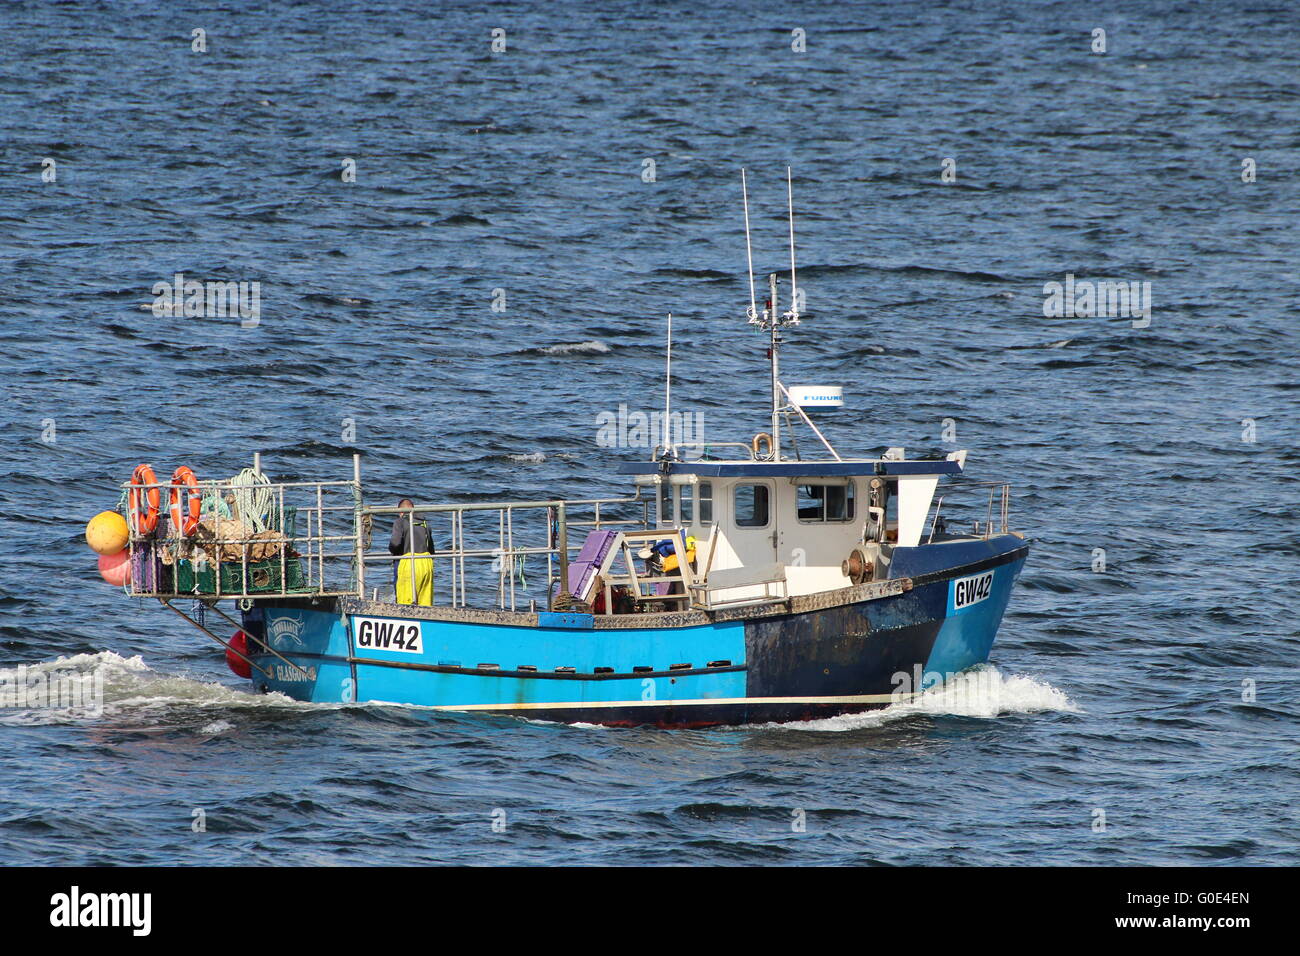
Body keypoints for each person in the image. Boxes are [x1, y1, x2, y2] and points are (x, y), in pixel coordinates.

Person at [389, 498, 435, 606]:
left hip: (408, 563)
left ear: (400, 512)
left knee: (405, 602)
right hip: (426, 563)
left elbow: (395, 543)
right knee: (425, 602)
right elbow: (432, 549)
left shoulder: (400, 521)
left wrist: (392, 550)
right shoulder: (425, 523)